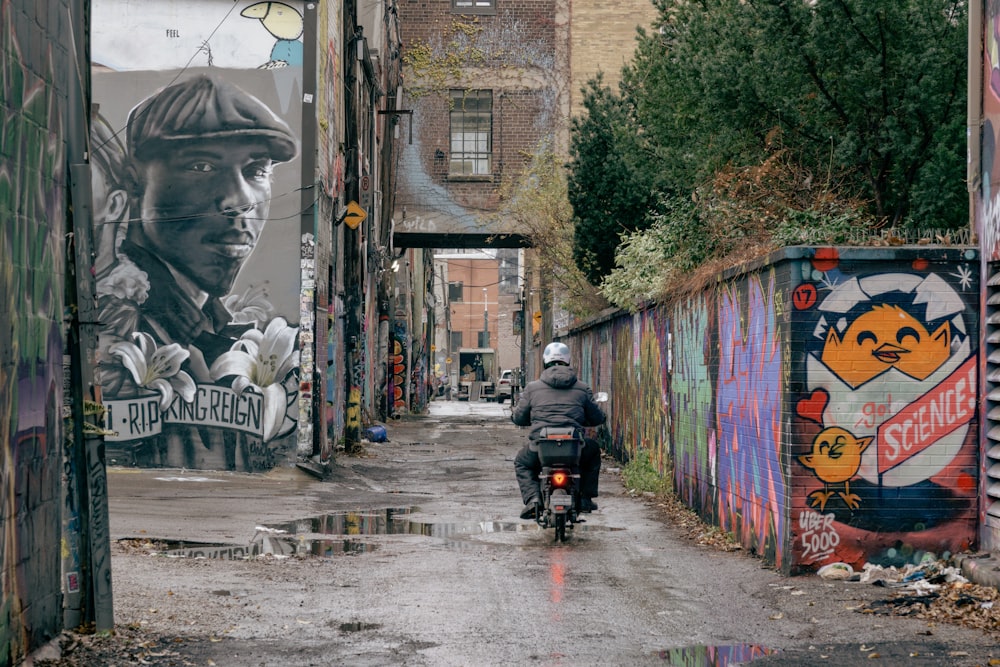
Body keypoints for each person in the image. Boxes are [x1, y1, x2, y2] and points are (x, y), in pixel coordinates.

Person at [98, 73, 299, 374]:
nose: (239, 201)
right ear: (134, 184)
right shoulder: (123, 317)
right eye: (202, 166)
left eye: (257, 171)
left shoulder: (207, 321)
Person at [511, 342, 606, 519]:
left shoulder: (532, 388)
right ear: (568, 361)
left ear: (545, 362)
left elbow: (520, 417)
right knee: (593, 453)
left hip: (542, 448)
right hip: (574, 449)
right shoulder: (582, 388)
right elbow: (597, 418)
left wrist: (521, 418)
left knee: (522, 463)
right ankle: (585, 498)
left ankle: (533, 499)